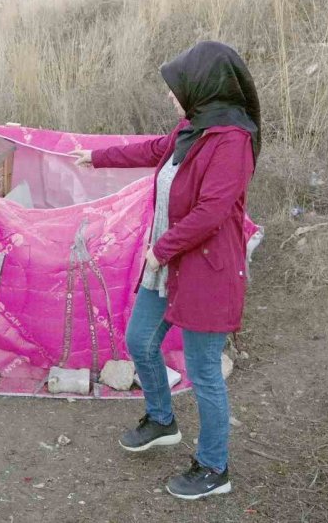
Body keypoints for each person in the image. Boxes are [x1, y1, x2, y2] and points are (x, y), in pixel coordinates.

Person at [70, 41, 260, 501]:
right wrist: (96, 158)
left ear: (203, 86)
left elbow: (213, 210)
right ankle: (161, 419)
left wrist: (162, 248)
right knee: (139, 340)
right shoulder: (194, 128)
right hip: (170, 266)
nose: (171, 96)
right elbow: (155, 149)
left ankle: (215, 468)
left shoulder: (231, 141)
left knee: (203, 370)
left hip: (206, 270)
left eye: (176, 88)